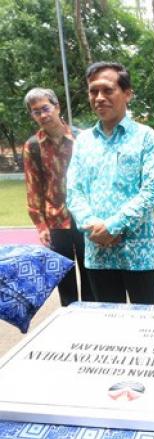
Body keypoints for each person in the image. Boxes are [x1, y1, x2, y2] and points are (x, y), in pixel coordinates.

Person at [67, 62, 154, 304]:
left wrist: (114, 225)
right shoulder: (84, 141)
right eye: (93, 91)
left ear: (127, 94)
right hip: (97, 252)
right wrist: (91, 224)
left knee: (148, 327)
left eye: (107, 90)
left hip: (137, 254)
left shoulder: (147, 138)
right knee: (108, 327)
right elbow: (73, 190)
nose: (99, 98)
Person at [23, 88, 93, 306]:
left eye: (45, 108)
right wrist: (41, 226)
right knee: (63, 276)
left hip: (85, 217)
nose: (43, 115)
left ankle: (92, 316)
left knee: (90, 272)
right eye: (36, 112)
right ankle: (70, 320)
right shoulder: (33, 146)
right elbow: (34, 187)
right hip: (55, 218)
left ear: (57, 107)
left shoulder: (83, 138)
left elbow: (94, 178)